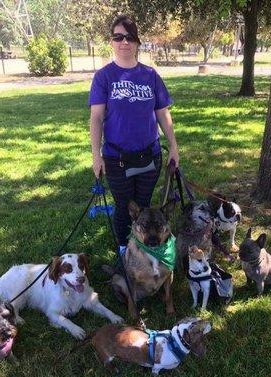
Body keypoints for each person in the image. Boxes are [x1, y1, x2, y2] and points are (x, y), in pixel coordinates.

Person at [88, 15, 179, 257]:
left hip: (149, 155)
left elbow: (162, 113)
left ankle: (141, 248)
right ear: (111, 41)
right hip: (116, 158)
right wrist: (96, 156)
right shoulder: (104, 77)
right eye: (118, 37)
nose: (124, 42)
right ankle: (123, 252)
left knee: (144, 208)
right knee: (123, 208)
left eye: (129, 37)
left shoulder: (150, 75)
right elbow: (96, 118)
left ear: (137, 42)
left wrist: (173, 146)